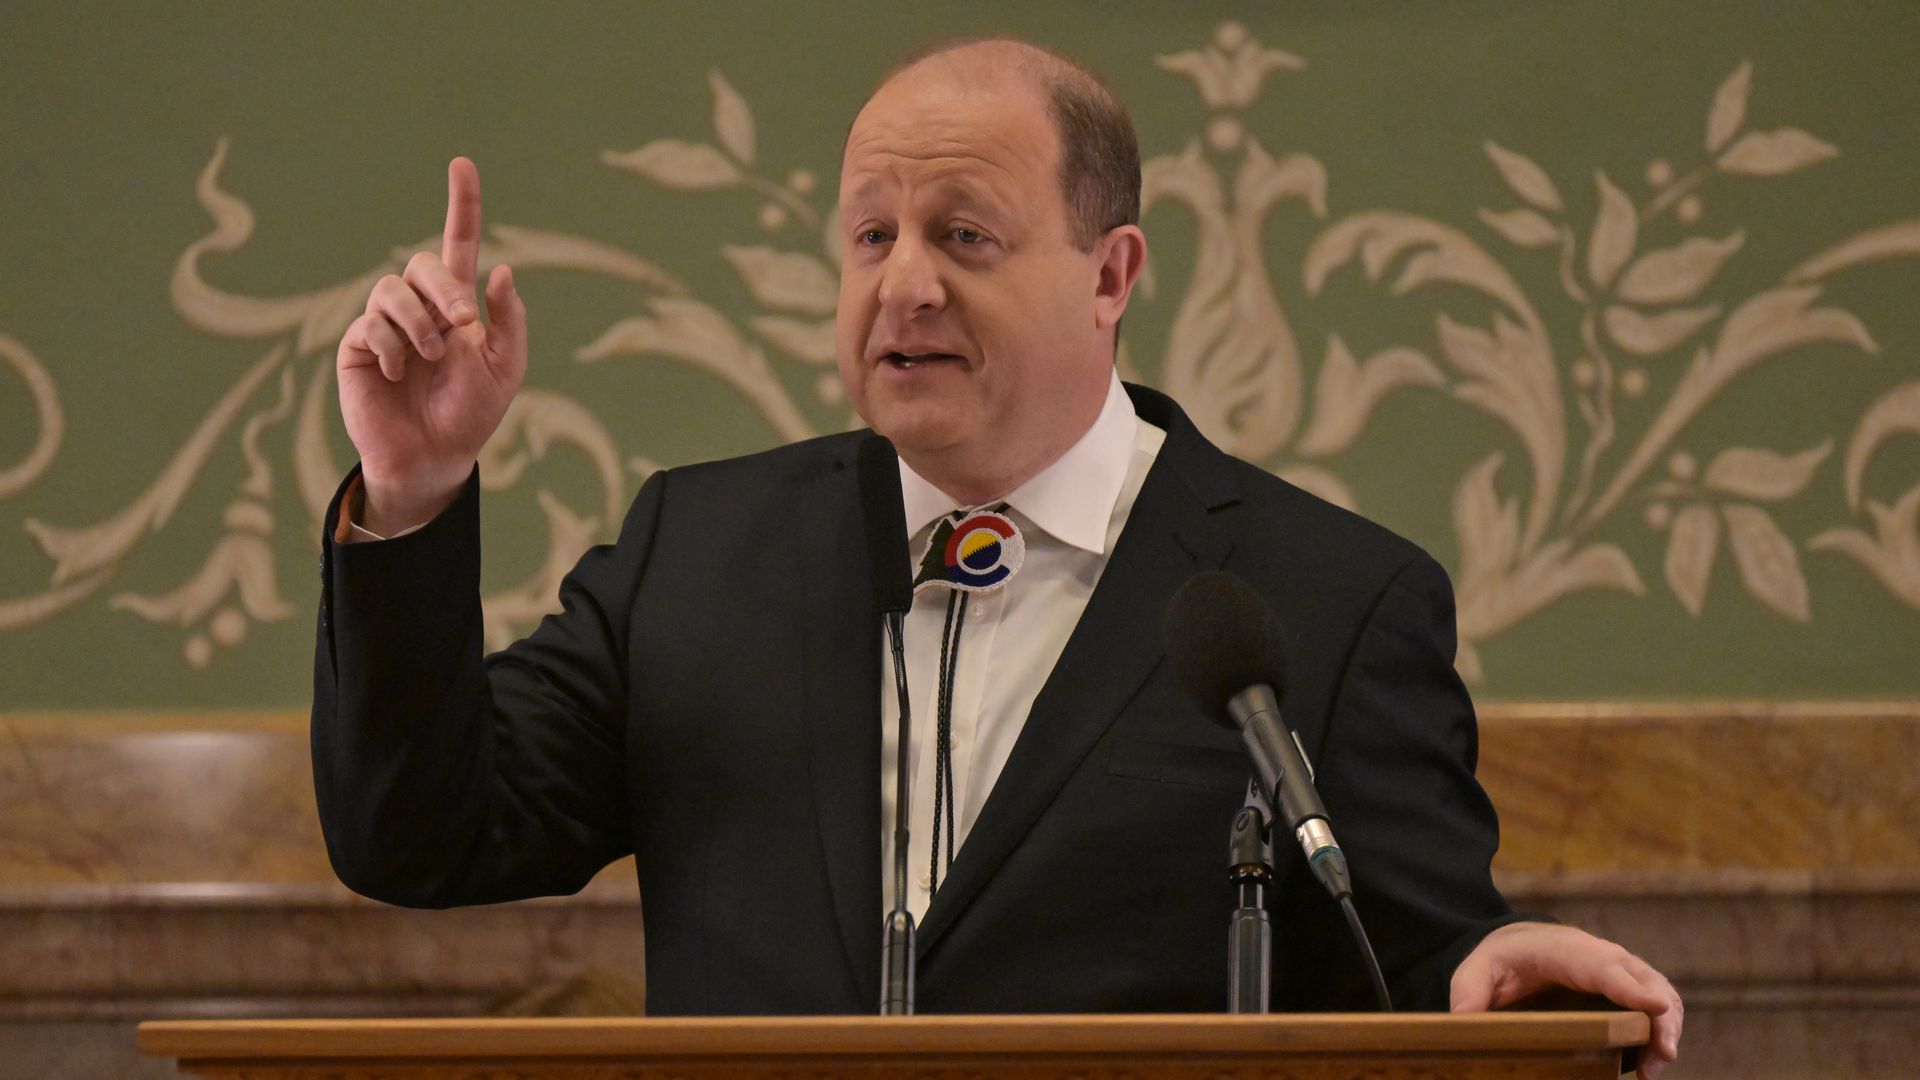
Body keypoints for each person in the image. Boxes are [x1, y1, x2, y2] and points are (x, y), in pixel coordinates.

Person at [314, 38, 1681, 1076]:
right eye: (870, 237)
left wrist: (1489, 968)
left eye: (964, 236)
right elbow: (423, 835)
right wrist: (414, 492)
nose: (904, 284)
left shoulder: (1324, 605)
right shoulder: (700, 553)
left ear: (1110, 276)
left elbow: (1417, 957)